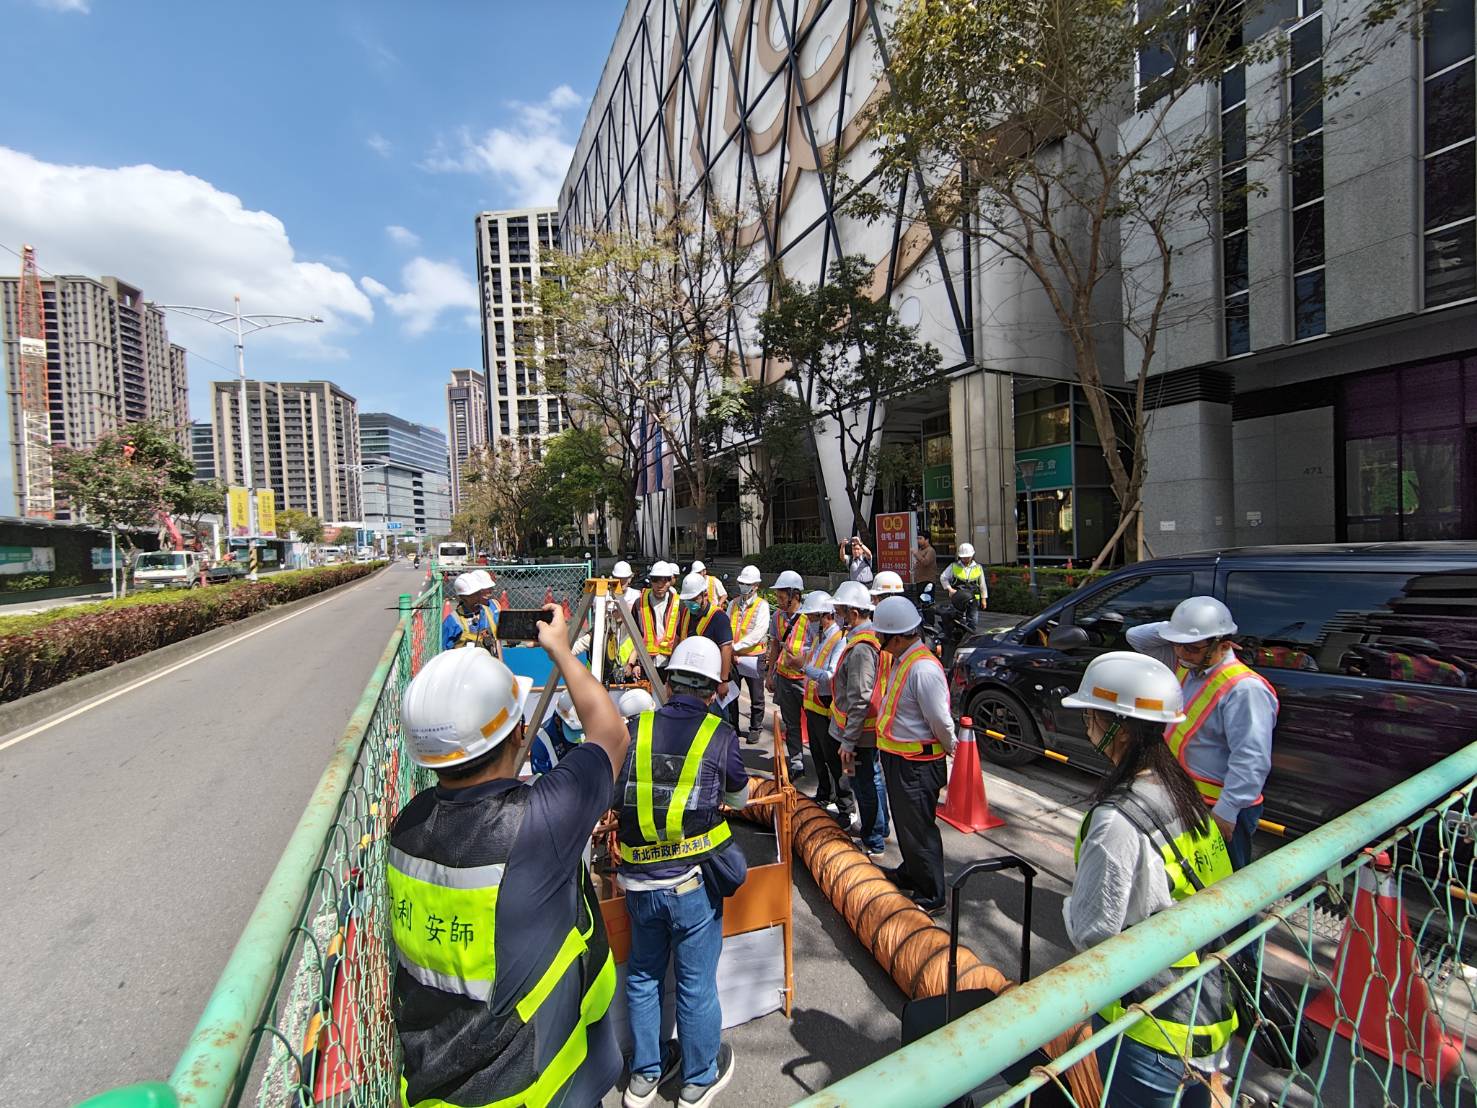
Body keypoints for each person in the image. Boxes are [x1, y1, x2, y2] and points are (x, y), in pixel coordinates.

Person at [390, 604, 629, 1108]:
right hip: (537, 1088)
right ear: (519, 731)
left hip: (434, 1085)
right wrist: (560, 649)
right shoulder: (539, 822)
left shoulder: (406, 827)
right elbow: (611, 733)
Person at [1061, 651, 1237, 1108]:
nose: (1087, 725)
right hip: (1210, 1011)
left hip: (1149, 1029)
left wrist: (1070, 904)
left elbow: (1093, 932)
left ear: (1117, 726)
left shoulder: (1116, 821)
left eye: (1090, 716)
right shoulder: (1182, 791)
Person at [616, 637, 747, 1108]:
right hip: (692, 886)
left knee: (643, 976)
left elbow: (618, 791)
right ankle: (697, 1080)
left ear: (668, 683)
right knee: (695, 985)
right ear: (713, 691)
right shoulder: (720, 734)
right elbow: (738, 798)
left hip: (638, 885)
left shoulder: (636, 728)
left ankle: (644, 1076)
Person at [1127, 596, 1279, 869]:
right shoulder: (1189, 666)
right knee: (1190, 876)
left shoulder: (1245, 689)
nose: (1182, 653)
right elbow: (1136, 637)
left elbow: (1251, 759)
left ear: (1223, 645)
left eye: (1192, 648)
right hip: (1183, 795)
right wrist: (1180, 628)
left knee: (1226, 882)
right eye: (1177, 645)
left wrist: (1226, 812)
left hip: (1219, 807)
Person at [873, 595, 956, 912]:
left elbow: (941, 721)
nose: (877, 639)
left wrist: (952, 751)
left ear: (896, 637)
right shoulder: (902, 660)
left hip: (918, 766)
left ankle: (932, 895)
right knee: (907, 826)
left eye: (881, 634)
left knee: (920, 831)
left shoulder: (922, 669)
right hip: (901, 761)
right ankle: (911, 873)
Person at [832, 581, 891, 855]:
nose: (837, 618)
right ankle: (880, 828)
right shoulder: (871, 639)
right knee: (873, 779)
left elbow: (860, 698)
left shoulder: (861, 649)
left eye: (840, 613)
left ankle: (873, 839)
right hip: (865, 730)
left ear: (854, 614)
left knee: (864, 784)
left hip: (859, 735)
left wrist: (848, 740)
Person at [799, 591, 853, 825]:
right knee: (818, 755)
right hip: (813, 707)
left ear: (825, 616)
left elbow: (829, 675)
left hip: (827, 710)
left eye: (812, 617)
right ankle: (824, 794)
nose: (809, 622)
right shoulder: (820, 638)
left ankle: (846, 807)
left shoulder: (840, 639)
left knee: (834, 759)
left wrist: (804, 669)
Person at [764, 570, 809, 779]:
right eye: (778, 597)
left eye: (782, 597)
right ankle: (797, 763)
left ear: (795, 595)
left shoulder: (810, 617)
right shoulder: (777, 617)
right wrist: (770, 674)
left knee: (816, 726)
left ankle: (823, 763)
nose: (779, 601)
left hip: (806, 680)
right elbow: (775, 645)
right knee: (791, 724)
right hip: (784, 678)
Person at [676, 571, 735, 707]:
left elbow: (726, 648)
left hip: (712, 678)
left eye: (693, 599)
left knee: (716, 715)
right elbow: (678, 640)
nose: (690, 603)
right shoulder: (685, 613)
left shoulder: (718, 617)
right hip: (689, 676)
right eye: (687, 600)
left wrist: (723, 681)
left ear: (705, 595)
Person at [726, 564, 770, 741]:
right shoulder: (733, 603)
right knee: (731, 693)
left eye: (747, 584)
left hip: (753, 657)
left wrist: (735, 647)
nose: (743, 586)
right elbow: (726, 626)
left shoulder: (762, 606)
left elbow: (758, 632)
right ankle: (733, 726)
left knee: (756, 695)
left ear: (756, 586)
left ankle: (755, 727)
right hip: (734, 656)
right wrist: (730, 649)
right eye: (742, 583)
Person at [631, 561, 681, 672]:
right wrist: (635, 663)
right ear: (651, 581)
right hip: (646, 663)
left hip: (671, 663)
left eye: (664, 581)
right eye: (656, 580)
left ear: (670, 581)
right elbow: (634, 636)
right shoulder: (639, 604)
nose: (660, 585)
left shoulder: (679, 605)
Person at [532, 689, 585, 775]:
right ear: (557, 721)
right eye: (571, 730)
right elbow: (541, 781)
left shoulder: (583, 730)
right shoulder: (540, 743)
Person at [443, 571, 494, 652]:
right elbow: (444, 650)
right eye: (472, 595)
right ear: (462, 597)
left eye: (478, 593)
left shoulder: (487, 610)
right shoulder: (453, 620)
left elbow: (497, 639)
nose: (477, 597)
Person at [940, 542, 987, 609]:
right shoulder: (954, 566)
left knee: (973, 615)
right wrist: (950, 589)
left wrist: (984, 599)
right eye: (964, 557)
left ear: (972, 556)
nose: (966, 559)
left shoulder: (978, 567)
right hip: (958, 598)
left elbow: (982, 584)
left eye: (968, 557)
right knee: (958, 615)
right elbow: (943, 577)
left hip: (974, 598)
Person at [910, 531, 938, 599]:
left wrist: (916, 554)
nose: (918, 541)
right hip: (920, 580)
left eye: (920, 538)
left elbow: (926, 562)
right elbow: (921, 561)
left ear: (927, 540)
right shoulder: (920, 549)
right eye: (917, 538)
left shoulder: (930, 550)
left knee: (926, 601)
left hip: (927, 580)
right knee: (920, 601)